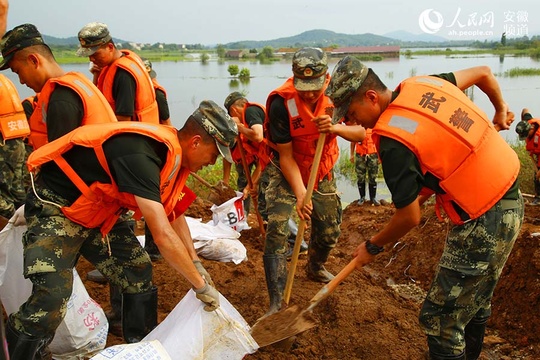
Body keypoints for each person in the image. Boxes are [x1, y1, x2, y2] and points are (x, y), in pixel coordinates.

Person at [325, 56, 523, 360]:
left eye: (350, 113)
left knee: (440, 318)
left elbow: (410, 218)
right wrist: (499, 109)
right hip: (510, 196)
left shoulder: (391, 140)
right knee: (475, 300)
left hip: (482, 216)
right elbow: (484, 73)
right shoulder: (424, 85)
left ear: (371, 97)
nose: (350, 122)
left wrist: (372, 246)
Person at [4, 100, 236, 359]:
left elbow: (174, 213)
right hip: (58, 208)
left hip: (96, 211)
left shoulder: (173, 158)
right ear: (195, 142)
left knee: (136, 269)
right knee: (51, 300)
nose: (212, 162)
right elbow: (162, 235)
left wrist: (196, 263)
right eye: (214, 155)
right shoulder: (143, 155)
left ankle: (143, 348)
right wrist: (200, 285)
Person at [262, 47, 365, 316]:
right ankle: (276, 301)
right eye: (303, 87)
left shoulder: (339, 97)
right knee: (277, 227)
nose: (308, 94)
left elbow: (362, 132)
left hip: (322, 169)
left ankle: (315, 266)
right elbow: (285, 156)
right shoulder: (280, 103)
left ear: (326, 78)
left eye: (315, 88)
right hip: (288, 171)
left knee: (329, 231)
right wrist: (300, 193)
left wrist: (336, 128)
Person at [76, 21, 159, 124]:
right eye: (88, 55)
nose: (91, 59)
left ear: (110, 47)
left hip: (133, 136)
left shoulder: (123, 74)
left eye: (95, 54)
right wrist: (96, 76)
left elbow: (123, 119)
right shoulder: (109, 66)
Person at [222, 91, 265, 218]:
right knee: (242, 187)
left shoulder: (251, 116)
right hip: (242, 159)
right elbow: (227, 155)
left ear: (233, 110)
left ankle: (267, 221)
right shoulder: (233, 130)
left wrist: (252, 184)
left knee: (263, 193)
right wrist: (225, 180)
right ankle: (243, 216)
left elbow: (262, 164)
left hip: (262, 158)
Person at [515, 108, 540, 205]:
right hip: (538, 155)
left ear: (532, 128)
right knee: (536, 176)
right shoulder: (526, 124)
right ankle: (538, 198)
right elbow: (525, 110)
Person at [350, 128, 380, 206]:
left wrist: (380, 157)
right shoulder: (358, 128)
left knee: (373, 176)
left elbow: (379, 142)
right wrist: (351, 155)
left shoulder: (374, 127)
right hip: (360, 155)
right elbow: (353, 141)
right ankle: (362, 197)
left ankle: (373, 198)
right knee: (360, 176)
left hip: (373, 155)